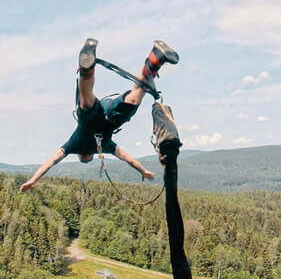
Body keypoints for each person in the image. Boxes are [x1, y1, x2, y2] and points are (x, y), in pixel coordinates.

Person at [19, 38, 178, 192]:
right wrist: (142, 170)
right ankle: (155, 57)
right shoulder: (85, 146)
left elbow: (51, 162)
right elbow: (51, 162)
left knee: (130, 97)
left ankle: (153, 60)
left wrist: (143, 171)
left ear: (84, 156)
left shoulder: (81, 146)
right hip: (105, 117)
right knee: (90, 100)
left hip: (103, 120)